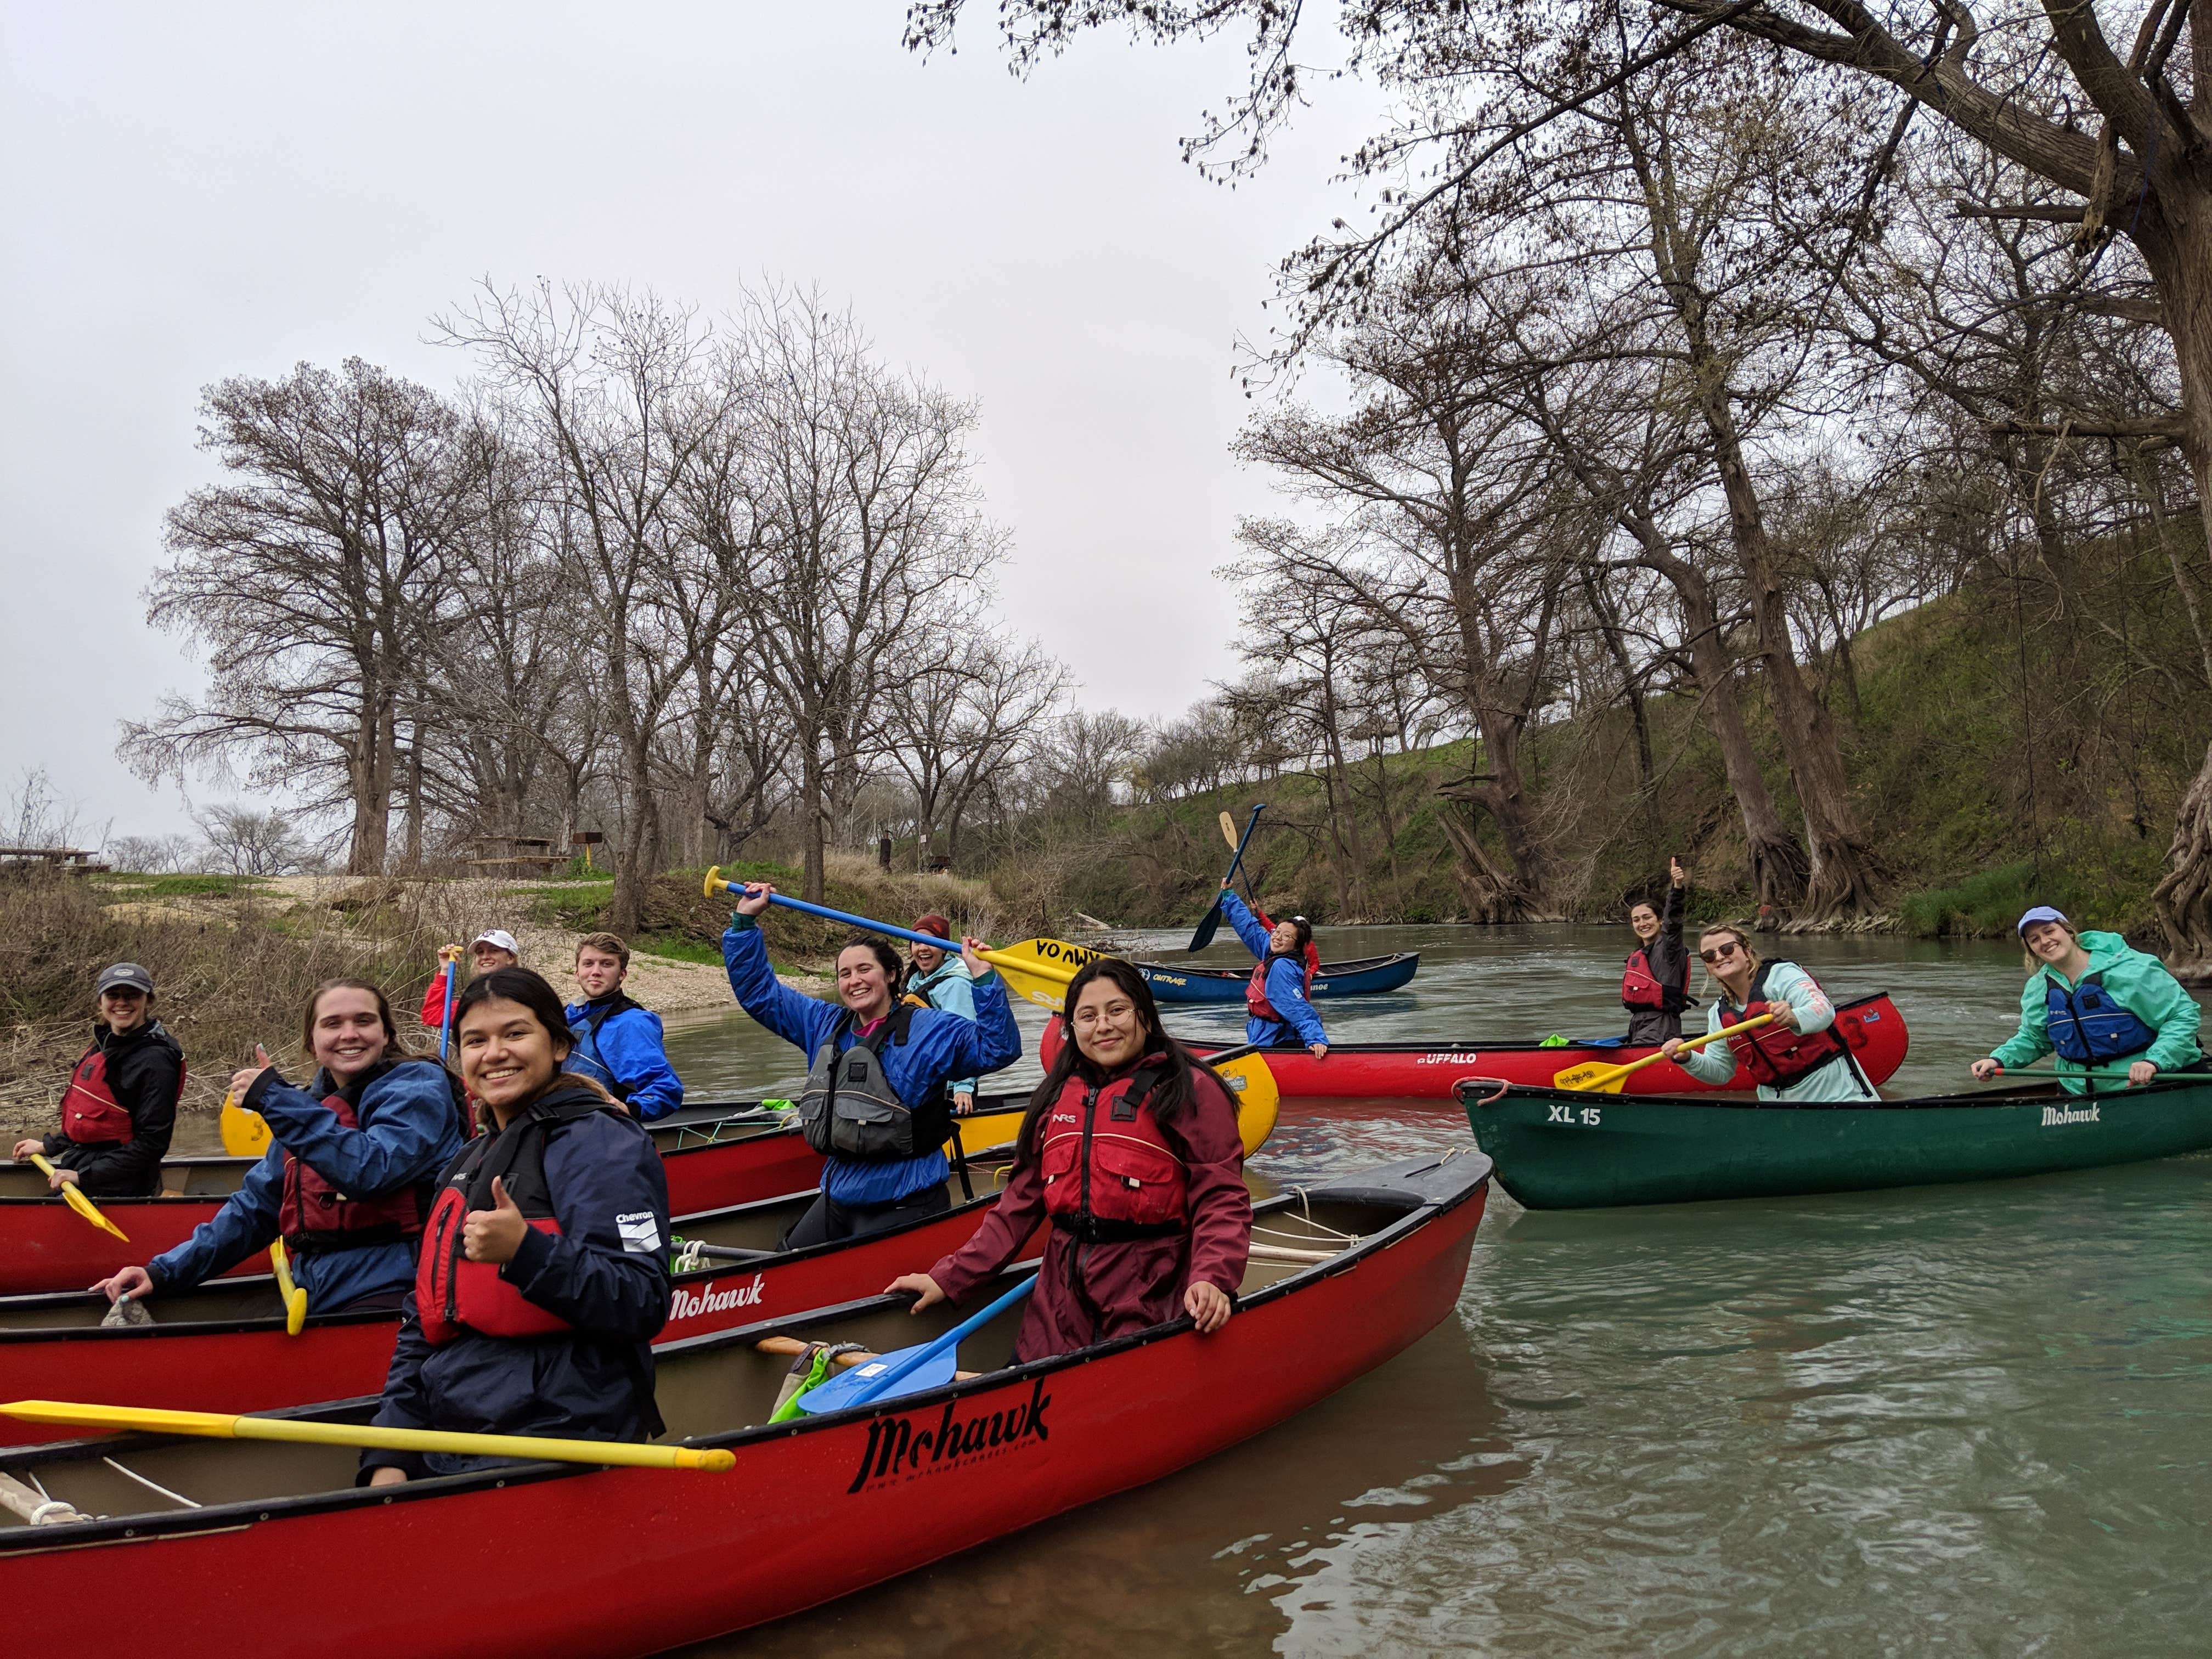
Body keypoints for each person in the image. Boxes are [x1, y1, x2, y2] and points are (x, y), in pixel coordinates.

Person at [363, 967, 672, 1486]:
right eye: (475, 1041)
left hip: (561, 1431)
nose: (494, 1053)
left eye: (515, 1033)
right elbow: (425, 1321)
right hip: (450, 1429)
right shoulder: (466, 1161)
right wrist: (390, 1448)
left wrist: (527, 1251)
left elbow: (642, 1297)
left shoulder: (604, 1144)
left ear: (557, 1045)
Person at [888, 957, 1251, 1361]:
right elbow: (1017, 1207)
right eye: (1088, 1016)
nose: (1103, 1026)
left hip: (1154, 1297)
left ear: (1145, 1015)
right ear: (1072, 1027)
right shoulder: (1055, 1096)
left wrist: (1212, 1277)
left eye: (1117, 1011)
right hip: (1058, 1305)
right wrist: (949, 1278)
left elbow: (1222, 1197)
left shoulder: (1190, 1091)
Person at [91, 980, 469, 1313]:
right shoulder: (306, 1109)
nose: (350, 1034)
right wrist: (163, 1271)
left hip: (403, 1282)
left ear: (386, 1034)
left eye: (364, 1021)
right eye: (333, 1024)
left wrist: (276, 1099)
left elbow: (371, 1169)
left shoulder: (418, 1087)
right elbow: (256, 1208)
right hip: (321, 1284)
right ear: (312, 1041)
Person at [722, 881, 1020, 1247]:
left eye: (865, 969)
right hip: (840, 1193)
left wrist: (984, 978)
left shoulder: (927, 1030)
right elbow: (760, 994)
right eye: (844, 974)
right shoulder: (823, 1024)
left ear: (892, 975)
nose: (854, 981)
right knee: (788, 1256)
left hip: (907, 1196)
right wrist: (743, 925)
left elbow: (998, 1048)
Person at [1970, 906, 2206, 1093]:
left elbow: (2181, 1016)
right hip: (2078, 1089)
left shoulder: (2130, 970)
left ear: (2069, 932)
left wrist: (2155, 1062)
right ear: (2032, 950)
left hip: (2153, 1081)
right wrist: (1999, 1059)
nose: (2045, 941)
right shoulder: (2038, 988)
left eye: (2049, 931)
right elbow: (2035, 1038)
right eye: (2034, 939)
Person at [14, 962, 182, 1198]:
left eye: (132, 995)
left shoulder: (156, 1061)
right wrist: (49, 1146)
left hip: (122, 1183)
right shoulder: (106, 1044)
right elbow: (94, 1122)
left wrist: (83, 1176)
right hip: (87, 1167)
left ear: (148, 1001)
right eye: (113, 995)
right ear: (100, 1002)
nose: (122, 1003)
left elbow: (152, 1144)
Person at [1661, 924, 1876, 1101]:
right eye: (1709, 956)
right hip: (1780, 1109)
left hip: (1839, 1096)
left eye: (1727, 949)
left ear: (1747, 952)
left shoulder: (1781, 976)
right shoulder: (1719, 1014)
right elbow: (1720, 1072)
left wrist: (1793, 1017)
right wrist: (1687, 1058)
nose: (1719, 957)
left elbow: (1824, 1011)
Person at [563, 931, 684, 1120]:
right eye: (588, 964)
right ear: (577, 974)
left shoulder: (631, 1023)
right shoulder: (564, 1016)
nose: (596, 971)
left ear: (622, 974)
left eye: (607, 964)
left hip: (604, 1131)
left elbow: (665, 1090)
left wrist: (628, 1109)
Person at [1217, 883, 1327, 1056]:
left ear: (1297, 945)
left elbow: (1296, 1007)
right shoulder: (1272, 949)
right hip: (1263, 1034)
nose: (1277, 938)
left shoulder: (1282, 968)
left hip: (1276, 1040)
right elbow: (1249, 928)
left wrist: (1315, 1038)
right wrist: (1229, 896)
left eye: (1286, 936)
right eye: (1277, 932)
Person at [904, 913, 980, 1117]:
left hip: (951, 1089)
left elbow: (964, 1037)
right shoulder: (915, 981)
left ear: (945, 948)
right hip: (923, 1081)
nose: (922, 948)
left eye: (930, 941)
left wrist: (963, 1086)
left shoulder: (956, 984)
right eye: (916, 942)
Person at [1623, 857, 1694, 1045]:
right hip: (1638, 1025)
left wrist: (1677, 888)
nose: (1642, 923)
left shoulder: (1669, 948)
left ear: (1660, 920)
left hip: (1662, 1027)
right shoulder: (1640, 954)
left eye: (1647, 917)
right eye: (1636, 920)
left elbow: (1674, 922)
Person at [418, 929, 520, 1039]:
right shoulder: (473, 1000)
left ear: (510, 958)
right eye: (480, 952)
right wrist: (446, 971)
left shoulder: (525, 993)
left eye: (494, 950)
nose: (485, 957)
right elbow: (432, 1014)